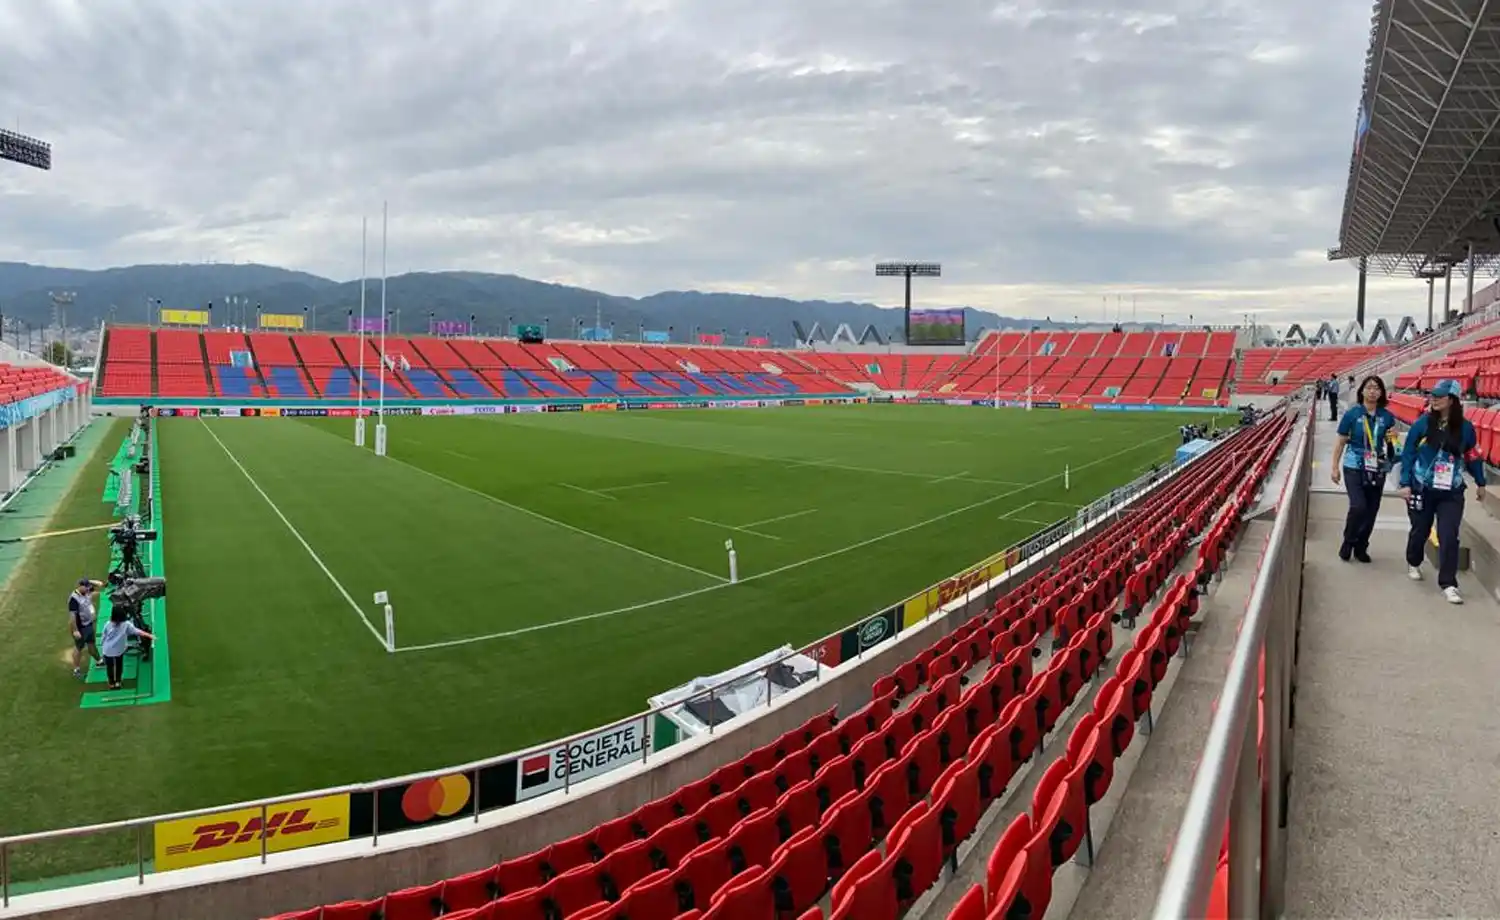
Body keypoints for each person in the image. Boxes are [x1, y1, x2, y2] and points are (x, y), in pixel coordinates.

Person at [1399, 378, 1486, 603]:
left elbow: (1472, 457)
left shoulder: (1466, 429)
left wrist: (1481, 483)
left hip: (1451, 490)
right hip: (1422, 486)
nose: (1434, 399)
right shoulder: (1423, 423)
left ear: (1453, 400)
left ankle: (1448, 583)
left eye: (1439, 396)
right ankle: (1414, 560)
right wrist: (1405, 482)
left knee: (1449, 535)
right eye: (1433, 395)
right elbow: (1408, 451)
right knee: (1420, 529)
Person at [1331, 375, 1397, 562]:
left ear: (1382, 392)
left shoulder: (1387, 416)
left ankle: (1361, 546)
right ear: (1361, 391)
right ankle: (1348, 541)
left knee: (1371, 511)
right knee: (1358, 506)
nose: (1372, 391)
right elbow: (1340, 442)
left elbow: (1392, 446)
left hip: (1376, 468)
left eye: (1376, 388)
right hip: (1354, 465)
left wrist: (1393, 438)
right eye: (1368, 387)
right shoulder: (1352, 414)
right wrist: (1334, 467)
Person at [99, 607, 154, 691]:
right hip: (118, 650)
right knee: (118, 665)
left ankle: (111, 683)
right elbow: (136, 631)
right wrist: (149, 635)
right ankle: (118, 682)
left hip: (108, 650)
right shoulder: (126, 624)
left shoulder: (107, 624)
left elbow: (103, 637)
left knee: (110, 667)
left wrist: (102, 646)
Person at [68, 578, 104, 679]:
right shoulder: (74, 599)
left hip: (88, 624)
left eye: (88, 586)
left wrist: (89, 581)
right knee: (79, 647)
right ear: (79, 586)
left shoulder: (87, 591)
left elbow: (100, 584)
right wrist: (75, 630)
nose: (88, 589)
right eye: (85, 586)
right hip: (79, 627)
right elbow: (72, 617)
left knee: (91, 643)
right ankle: (76, 670)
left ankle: (99, 661)